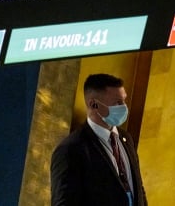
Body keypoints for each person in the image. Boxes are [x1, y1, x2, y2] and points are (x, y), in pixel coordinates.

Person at [50, 73, 148, 205]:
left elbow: (138, 188)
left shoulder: (126, 138)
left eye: (124, 100)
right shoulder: (71, 149)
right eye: (117, 102)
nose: (124, 107)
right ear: (93, 104)